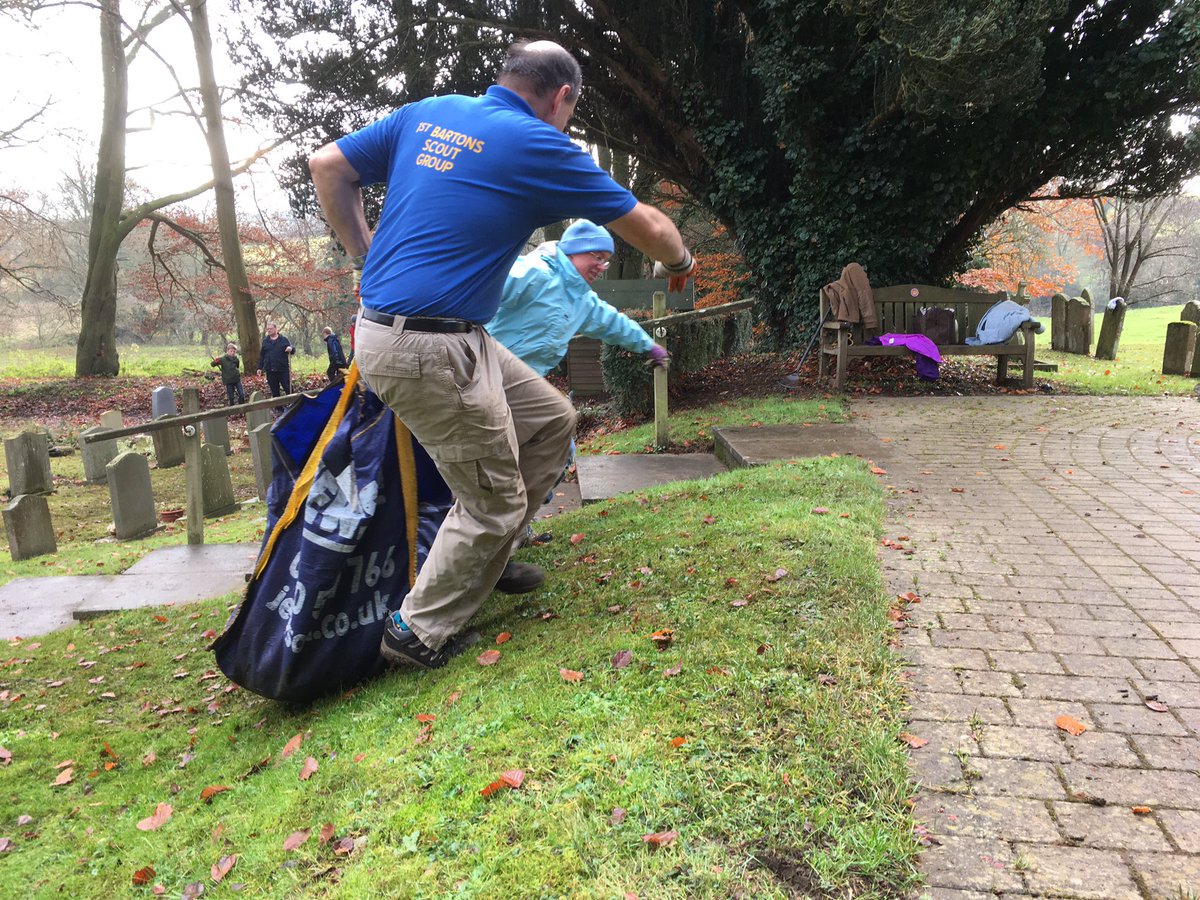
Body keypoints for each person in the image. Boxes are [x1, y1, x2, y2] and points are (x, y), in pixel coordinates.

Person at [308, 39, 696, 671]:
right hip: (427, 347)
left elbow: (328, 166)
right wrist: (681, 262)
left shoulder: (427, 112)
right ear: (563, 96)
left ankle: (489, 555)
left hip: (449, 334)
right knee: (494, 502)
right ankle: (415, 632)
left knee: (549, 420)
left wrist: (364, 253)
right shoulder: (539, 144)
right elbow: (649, 225)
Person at [487, 219, 670, 375]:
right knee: (560, 413)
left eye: (605, 261)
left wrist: (649, 346)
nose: (601, 266)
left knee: (560, 414)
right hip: (488, 368)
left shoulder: (583, 301)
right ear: (574, 251)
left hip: (526, 379)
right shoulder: (535, 272)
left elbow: (614, 324)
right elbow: (483, 284)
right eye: (598, 257)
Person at [257, 321, 295, 398]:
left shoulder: (284, 340)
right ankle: (278, 408)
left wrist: (291, 348)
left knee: (288, 388)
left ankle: (293, 404)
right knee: (274, 390)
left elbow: (292, 350)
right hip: (270, 370)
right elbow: (262, 355)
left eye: (270, 329)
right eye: (267, 329)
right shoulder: (265, 341)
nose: (269, 330)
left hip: (283, 369)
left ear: (276, 329)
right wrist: (259, 368)